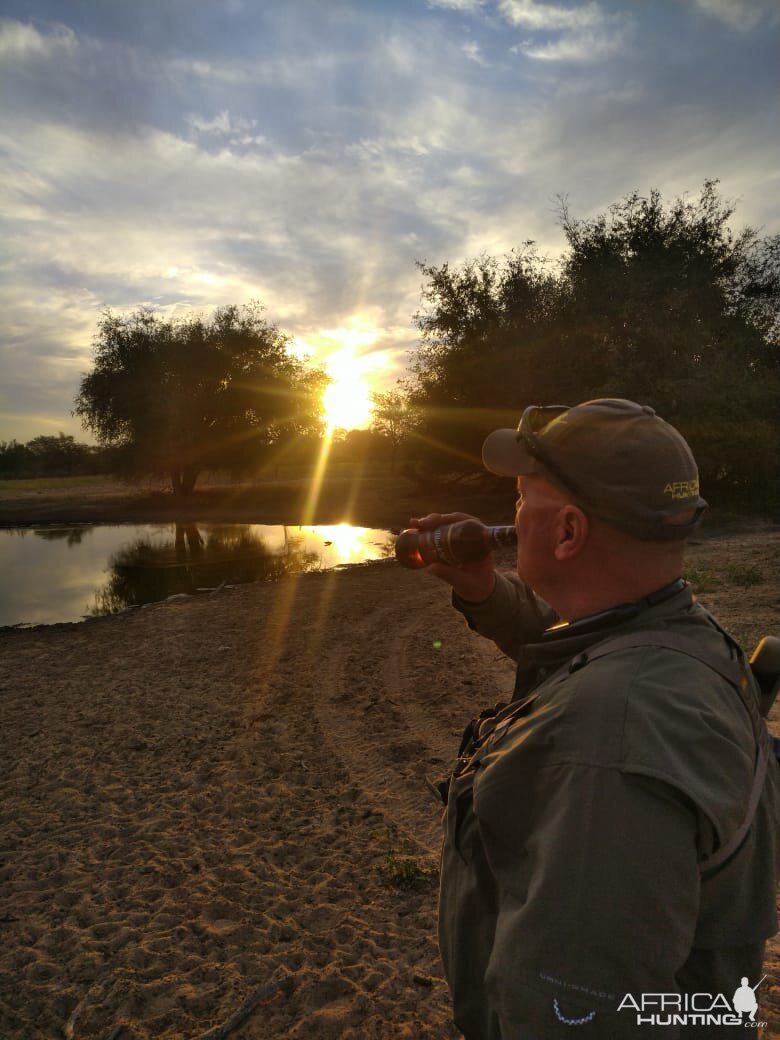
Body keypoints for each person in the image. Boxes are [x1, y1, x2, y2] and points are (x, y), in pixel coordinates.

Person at [412, 399, 778, 1039]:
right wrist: (482, 588)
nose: (511, 519)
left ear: (568, 533)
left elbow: (573, 1014)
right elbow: (581, 644)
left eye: (524, 502)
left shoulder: (607, 744)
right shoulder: (684, 635)